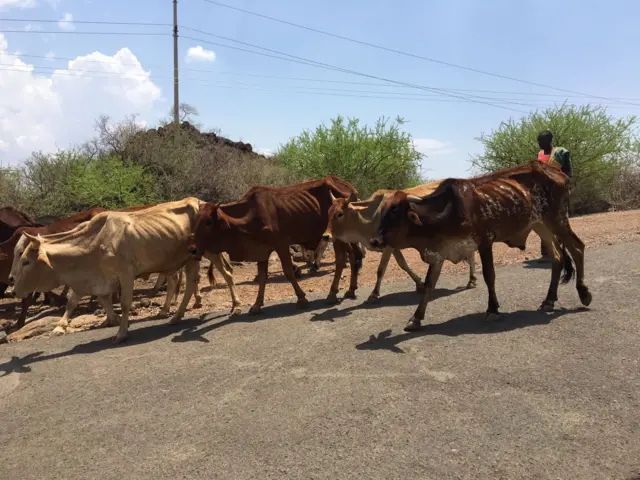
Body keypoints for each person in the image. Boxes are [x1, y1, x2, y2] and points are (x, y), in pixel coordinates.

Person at [536, 130, 572, 260]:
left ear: (549, 140)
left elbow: (568, 172)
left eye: (541, 140)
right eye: (538, 141)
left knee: (559, 221)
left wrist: (558, 184)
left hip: (558, 191)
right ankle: (546, 253)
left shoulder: (561, 153)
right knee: (543, 223)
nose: (539, 143)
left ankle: (559, 251)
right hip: (543, 194)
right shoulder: (540, 154)